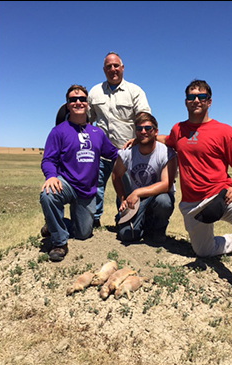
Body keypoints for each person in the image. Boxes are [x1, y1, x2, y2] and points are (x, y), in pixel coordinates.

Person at [156, 79, 232, 314]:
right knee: (204, 251)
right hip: (192, 205)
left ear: (209, 101)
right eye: (191, 97)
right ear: (185, 102)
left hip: (221, 196)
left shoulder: (224, 131)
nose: (196, 101)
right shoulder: (178, 129)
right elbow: (167, 140)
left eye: (201, 97)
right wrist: (144, 137)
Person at [40, 84, 118, 261]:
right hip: (66, 183)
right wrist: (51, 176)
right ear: (67, 105)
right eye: (73, 100)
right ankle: (59, 242)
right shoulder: (58, 131)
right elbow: (48, 160)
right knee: (48, 195)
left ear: (87, 103)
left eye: (82, 99)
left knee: (83, 234)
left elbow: (113, 153)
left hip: (87, 191)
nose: (78, 102)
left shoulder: (97, 133)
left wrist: (132, 151)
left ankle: (54, 225)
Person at [88, 52, 151, 228]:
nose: (113, 69)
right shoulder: (94, 92)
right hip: (100, 152)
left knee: (125, 190)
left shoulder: (134, 91)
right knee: (95, 187)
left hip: (127, 152)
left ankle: (124, 221)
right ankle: (93, 220)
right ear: (103, 70)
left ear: (122, 68)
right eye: (109, 66)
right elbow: (87, 121)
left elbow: (144, 117)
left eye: (116, 65)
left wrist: (137, 140)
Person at [112, 112, 177, 244]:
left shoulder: (166, 152)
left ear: (155, 131)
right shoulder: (127, 153)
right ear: (135, 132)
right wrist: (123, 199)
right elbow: (116, 175)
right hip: (137, 201)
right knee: (126, 236)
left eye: (148, 128)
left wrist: (137, 192)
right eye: (139, 129)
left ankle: (158, 229)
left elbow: (166, 185)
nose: (143, 132)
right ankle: (139, 224)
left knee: (164, 200)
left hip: (157, 197)